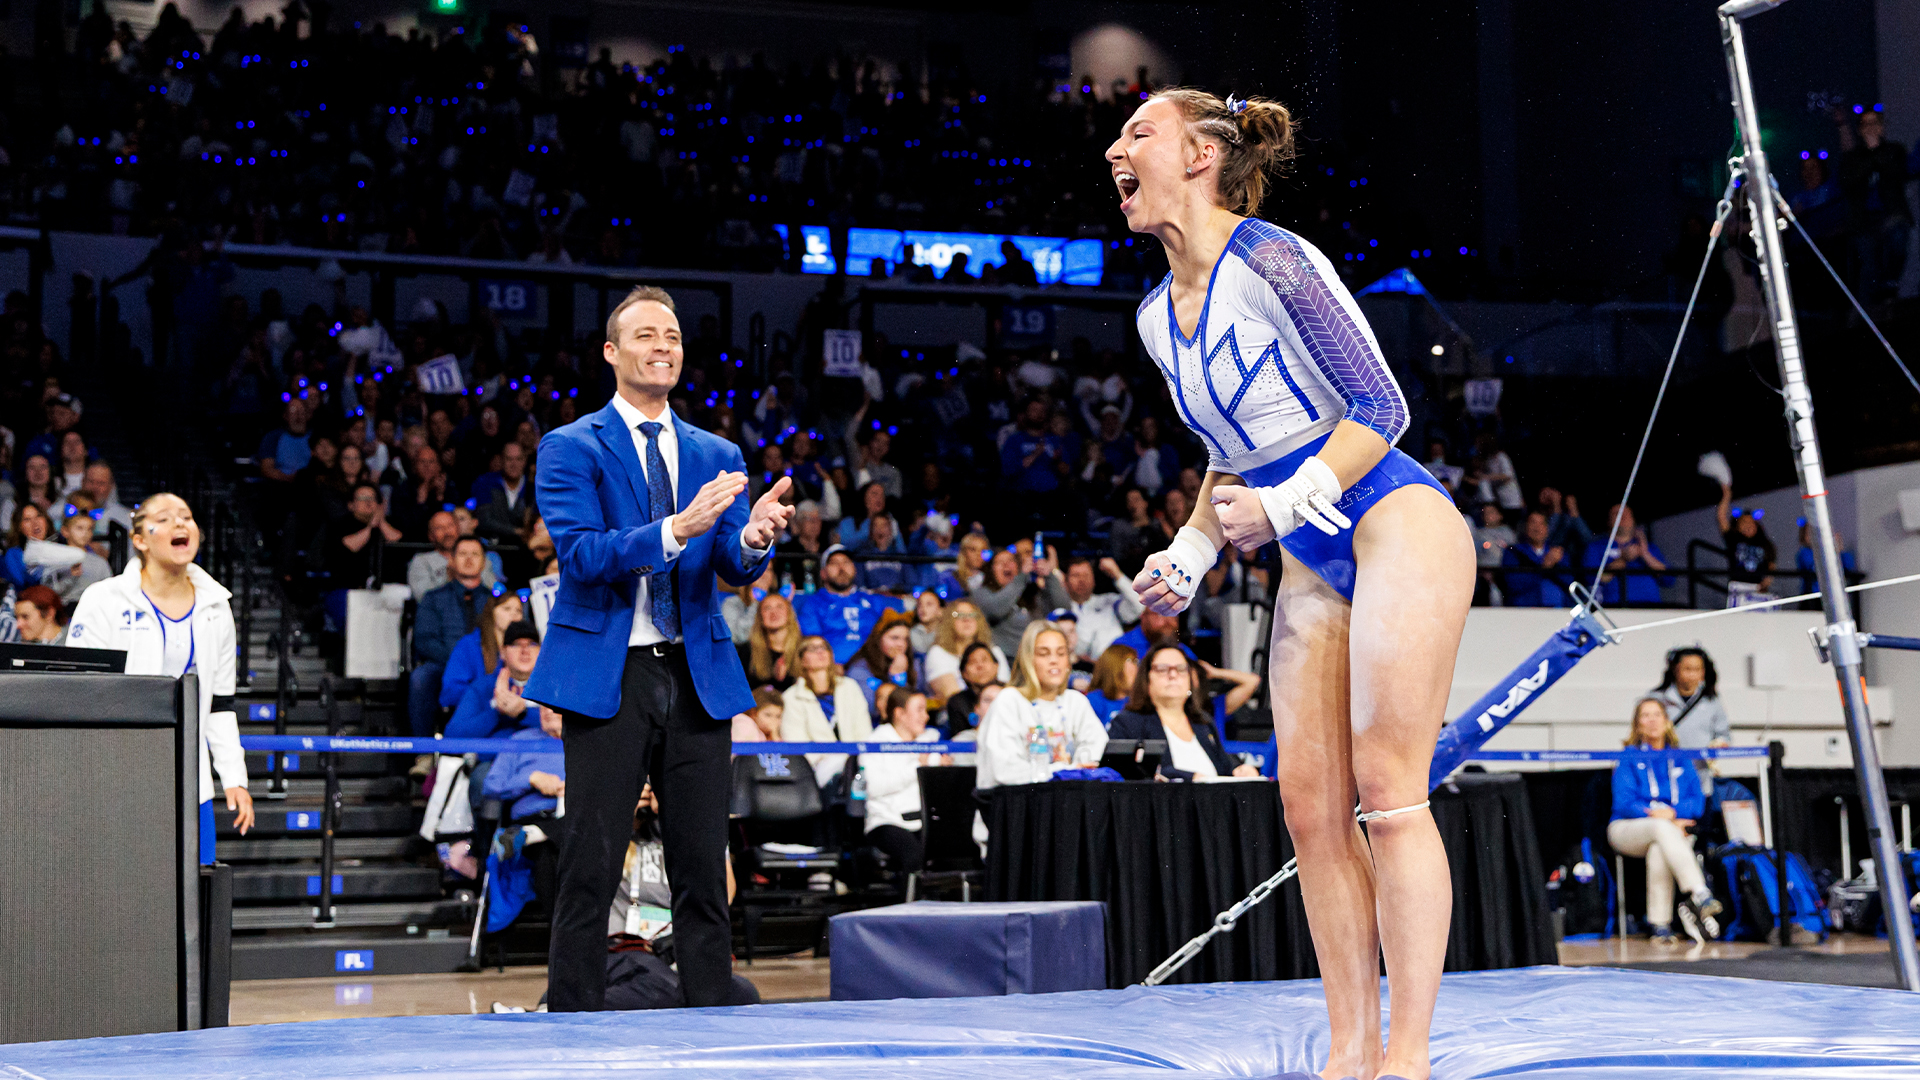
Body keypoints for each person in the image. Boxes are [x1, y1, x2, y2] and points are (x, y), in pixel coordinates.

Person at [1111, 88, 1473, 1080]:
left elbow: (1380, 402)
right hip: (1313, 551)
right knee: (1310, 810)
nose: (1114, 150)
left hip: (1398, 521)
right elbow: (1230, 458)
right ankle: (1350, 1050)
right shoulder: (1154, 317)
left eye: (1138, 133)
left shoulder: (1272, 257)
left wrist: (1292, 500)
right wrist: (1189, 554)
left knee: (1389, 795)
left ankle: (1408, 1054)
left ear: (1201, 155)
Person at [524, 285, 793, 1014]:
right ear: (612, 353)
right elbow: (579, 556)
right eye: (645, 336)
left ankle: (709, 1005)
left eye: (671, 336)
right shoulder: (570, 446)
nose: (662, 347)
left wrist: (752, 536)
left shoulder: (717, 450)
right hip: (609, 676)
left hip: (696, 672)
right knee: (591, 859)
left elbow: (733, 565)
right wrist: (678, 528)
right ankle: (573, 1011)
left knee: (703, 862)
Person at [67, 494, 251, 865]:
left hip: (190, 784)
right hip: (117, 782)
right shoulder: (103, 600)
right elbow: (79, 693)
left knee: (194, 899)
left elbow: (220, 704)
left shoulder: (217, 606)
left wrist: (234, 776)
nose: (180, 524)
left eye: (186, 516)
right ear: (139, 540)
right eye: (164, 519)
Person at [975, 622, 1108, 838]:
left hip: (1065, 815)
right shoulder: (1009, 701)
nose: (1054, 660)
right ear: (1029, 660)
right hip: (1012, 821)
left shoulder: (1075, 701)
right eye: (1044, 653)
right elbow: (1005, 771)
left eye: (1061, 653)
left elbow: (1097, 750)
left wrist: (1073, 769)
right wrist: (1065, 772)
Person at [1609, 697, 1724, 945]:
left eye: (1657, 715)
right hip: (1627, 829)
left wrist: (1674, 814)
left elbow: (1697, 801)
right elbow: (1623, 802)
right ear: (1637, 724)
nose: (1652, 721)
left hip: (1672, 829)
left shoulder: (1681, 757)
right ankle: (1699, 892)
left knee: (1660, 848)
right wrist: (1655, 814)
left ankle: (1660, 925)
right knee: (1661, 829)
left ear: (1666, 721)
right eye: (1645, 716)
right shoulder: (1628, 757)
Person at [1109, 644, 1260, 780]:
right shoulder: (1127, 722)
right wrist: (1190, 777)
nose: (1173, 675)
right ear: (1146, 680)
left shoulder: (1203, 722)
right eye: (1162, 669)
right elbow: (1126, 773)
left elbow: (1224, 765)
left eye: (1181, 669)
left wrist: (1240, 770)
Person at [410, 536, 495, 739]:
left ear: (484, 562)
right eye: (462, 554)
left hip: (488, 665)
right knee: (420, 678)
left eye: (475, 554)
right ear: (451, 561)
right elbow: (424, 640)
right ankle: (424, 752)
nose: (468, 559)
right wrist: (459, 661)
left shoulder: (495, 600)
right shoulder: (432, 598)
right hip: (444, 665)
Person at [859, 689, 949, 874]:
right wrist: (918, 766)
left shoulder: (930, 739)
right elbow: (874, 787)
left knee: (954, 852)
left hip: (926, 820)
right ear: (899, 713)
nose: (925, 716)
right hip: (887, 822)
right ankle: (907, 902)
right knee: (913, 855)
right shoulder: (875, 742)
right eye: (919, 710)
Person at [781, 634, 875, 790]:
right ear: (802, 659)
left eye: (824, 647)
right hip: (816, 768)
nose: (820, 652)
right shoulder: (791, 697)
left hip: (856, 761)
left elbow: (864, 731)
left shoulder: (849, 687)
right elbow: (797, 744)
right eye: (812, 649)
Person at [793, 544, 905, 664]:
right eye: (834, 563)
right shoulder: (814, 603)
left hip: (875, 667)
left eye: (846, 562)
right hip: (833, 668)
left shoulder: (872, 600)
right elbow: (813, 641)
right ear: (823, 573)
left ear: (855, 570)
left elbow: (899, 618)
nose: (841, 568)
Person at [446, 622, 545, 743]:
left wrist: (523, 713)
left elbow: (568, 730)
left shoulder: (552, 689)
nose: (525, 651)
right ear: (503, 652)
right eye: (516, 644)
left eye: (532, 644)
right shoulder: (484, 687)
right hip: (494, 759)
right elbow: (453, 736)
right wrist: (497, 712)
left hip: (545, 758)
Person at [973, 544, 1069, 658]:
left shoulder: (1031, 592)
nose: (1006, 565)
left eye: (1011, 561)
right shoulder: (983, 593)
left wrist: (1049, 576)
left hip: (1035, 657)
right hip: (1003, 660)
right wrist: (1020, 579)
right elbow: (995, 610)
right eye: (999, 562)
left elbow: (1064, 610)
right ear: (991, 570)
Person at [439, 588, 526, 712]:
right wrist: (491, 695)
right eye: (506, 609)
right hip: (477, 714)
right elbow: (450, 692)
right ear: (492, 612)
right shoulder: (469, 644)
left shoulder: (529, 648)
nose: (514, 614)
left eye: (519, 611)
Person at [1583, 504, 1671, 606]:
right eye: (1617, 514)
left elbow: (1669, 579)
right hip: (1614, 607)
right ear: (1609, 521)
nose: (1623, 517)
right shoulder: (1596, 547)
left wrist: (1645, 554)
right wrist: (1623, 559)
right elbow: (1592, 580)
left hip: (1651, 607)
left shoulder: (1649, 547)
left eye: (1627, 514)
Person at [924, 599, 1012, 700]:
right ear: (948, 621)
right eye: (959, 615)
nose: (967, 620)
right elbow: (953, 698)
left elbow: (1005, 691)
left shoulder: (994, 651)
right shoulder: (938, 653)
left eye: (972, 615)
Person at [1062, 555, 1145, 660]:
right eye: (1076, 575)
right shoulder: (1058, 606)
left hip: (1110, 666)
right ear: (1065, 581)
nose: (1081, 580)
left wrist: (1117, 574)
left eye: (1086, 575)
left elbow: (1140, 607)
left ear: (1094, 580)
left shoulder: (1109, 601)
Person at [843, 609, 924, 712]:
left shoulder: (914, 665)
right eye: (894, 638)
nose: (901, 644)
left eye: (905, 639)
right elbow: (873, 710)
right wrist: (897, 678)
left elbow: (919, 705)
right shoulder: (859, 669)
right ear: (879, 638)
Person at [408, 510, 498, 600]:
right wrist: (451, 576)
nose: (447, 532)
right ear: (431, 536)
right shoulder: (421, 561)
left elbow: (492, 589)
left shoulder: (477, 556)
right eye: (439, 528)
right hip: (439, 611)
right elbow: (423, 597)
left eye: (450, 526)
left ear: (458, 529)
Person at [1714, 484, 1775, 606]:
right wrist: (1726, 495)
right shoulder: (1734, 539)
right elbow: (1721, 518)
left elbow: (1771, 564)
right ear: (1737, 527)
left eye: (1751, 522)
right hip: (1738, 588)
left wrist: (1767, 581)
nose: (1748, 525)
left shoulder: (1765, 543)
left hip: (1758, 589)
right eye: (1744, 522)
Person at [1500, 511, 1568, 609]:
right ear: (1526, 527)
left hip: (1557, 610)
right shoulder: (1513, 552)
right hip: (1525, 611)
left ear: (1547, 529)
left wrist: (1557, 565)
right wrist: (1543, 568)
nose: (1537, 528)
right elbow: (1513, 584)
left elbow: (1569, 581)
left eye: (1541, 524)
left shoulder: (1557, 552)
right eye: (1533, 523)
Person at [49, 502, 112, 603]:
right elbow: (50, 592)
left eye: (89, 529)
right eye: (79, 528)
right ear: (65, 531)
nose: (85, 533)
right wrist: (70, 577)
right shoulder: (55, 560)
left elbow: (108, 592)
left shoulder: (99, 563)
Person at [940, 642, 1005, 736]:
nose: (980, 666)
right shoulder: (957, 703)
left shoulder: (1012, 692)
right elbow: (960, 742)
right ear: (964, 673)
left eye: (985, 660)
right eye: (973, 662)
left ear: (996, 666)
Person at [741, 591, 802, 691]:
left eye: (779, 607)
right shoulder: (747, 651)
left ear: (789, 613)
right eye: (767, 608)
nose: (774, 612)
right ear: (760, 617)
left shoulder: (803, 648)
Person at [1083, 644, 1137, 727]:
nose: (1138, 667)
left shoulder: (1138, 702)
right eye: (1133, 661)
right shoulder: (1094, 701)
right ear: (1116, 666)